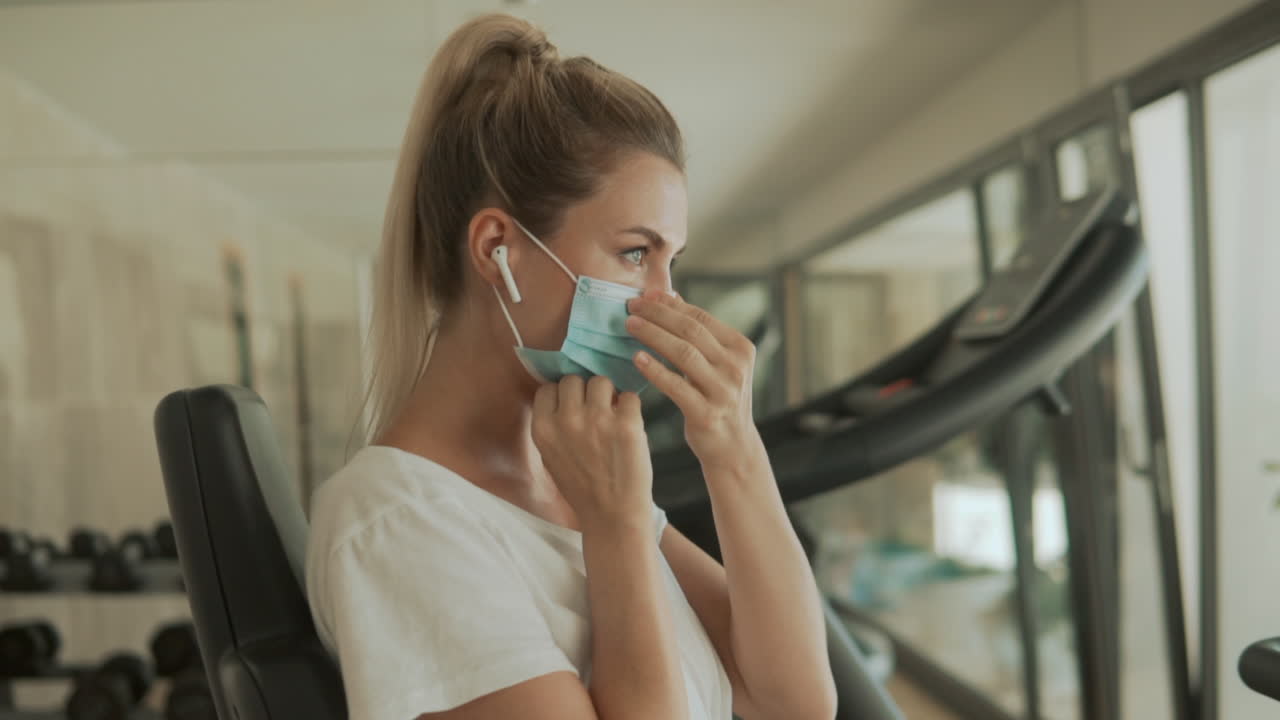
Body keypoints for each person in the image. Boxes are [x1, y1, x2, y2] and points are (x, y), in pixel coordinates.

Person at [304, 13, 836, 720]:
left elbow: (793, 703)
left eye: (670, 261)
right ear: (498, 248)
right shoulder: (398, 522)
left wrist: (733, 448)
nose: (664, 299)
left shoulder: (570, 477)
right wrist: (613, 532)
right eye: (635, 253)